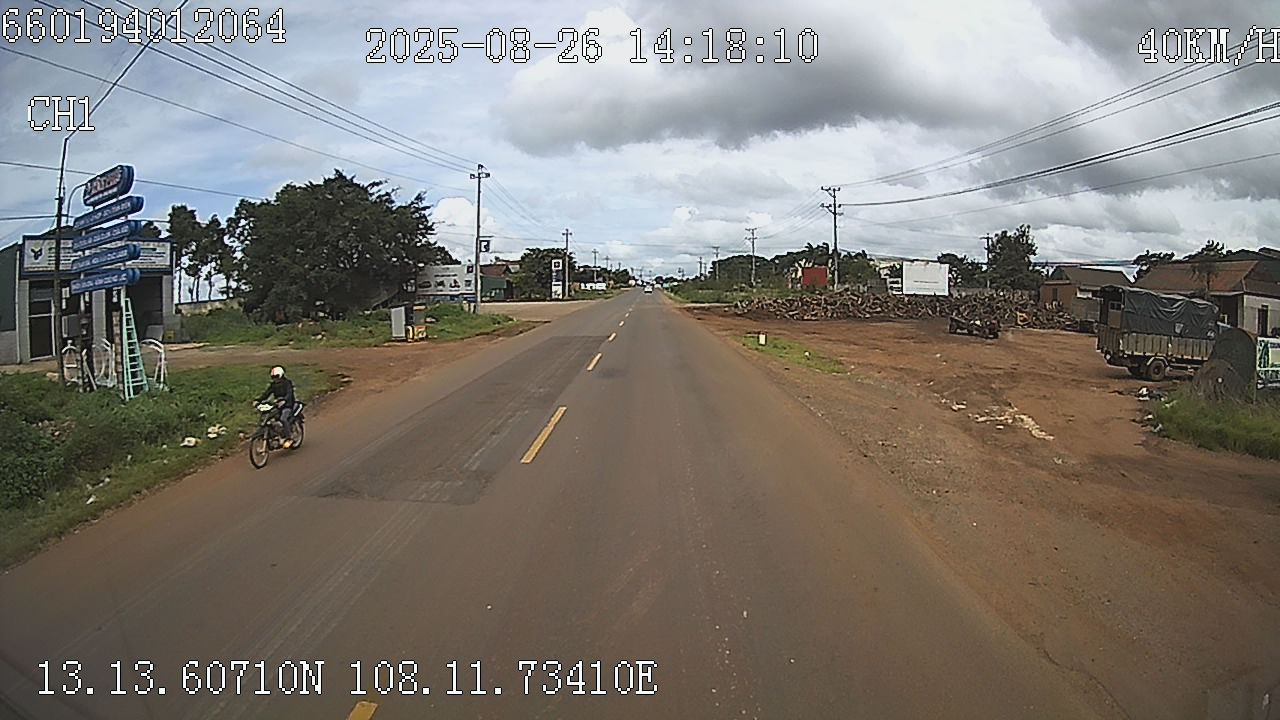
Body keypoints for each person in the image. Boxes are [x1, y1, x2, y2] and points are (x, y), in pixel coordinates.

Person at [256, 366, 297, 448]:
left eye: (276, 376)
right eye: (273, 377)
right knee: (268, 418)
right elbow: (266, 393)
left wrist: (284, 400)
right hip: (277, 405)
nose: (275, 379)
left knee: (283, 419)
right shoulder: (273, 385)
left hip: (288, 405)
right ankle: (274, 435)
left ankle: (289, 438)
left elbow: (289, 393)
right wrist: (258, 400)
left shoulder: (287, 383)